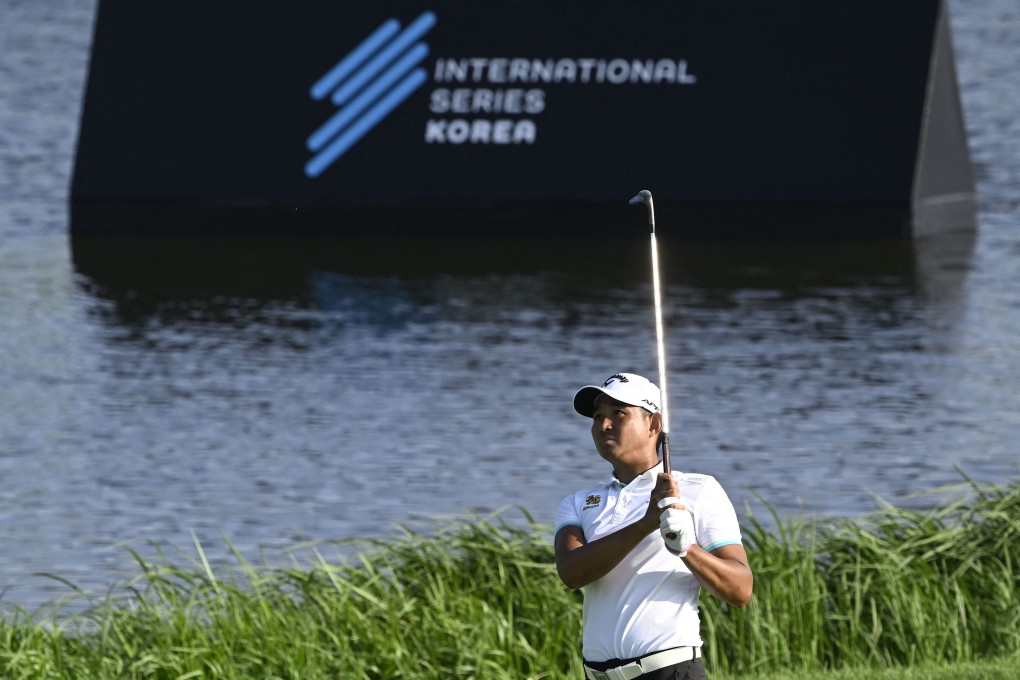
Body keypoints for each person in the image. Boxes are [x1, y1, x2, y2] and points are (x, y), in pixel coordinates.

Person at [554, 372, 753, 680]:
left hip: (669, 672)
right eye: (597, 417)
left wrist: (685, 548)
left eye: (618, 413)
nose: (603, 425)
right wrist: (646, 523)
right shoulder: (579, 503)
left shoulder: (699, 489)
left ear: (654, 425)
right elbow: (572, 573)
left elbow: (740, 590)